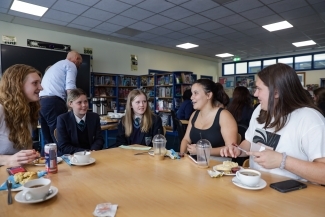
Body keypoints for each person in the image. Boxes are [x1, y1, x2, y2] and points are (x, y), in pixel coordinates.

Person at [220, 63, 325, 185]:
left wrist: (282, 161)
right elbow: (249, 142)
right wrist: (238, 149)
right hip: (255, 185)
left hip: (292, 196)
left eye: (259, 89)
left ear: (276, 92)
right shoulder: (260, 109)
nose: (255, 94)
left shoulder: (310, 119)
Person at [179, 79, 237, 157]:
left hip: (218, 166)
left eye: (196, 93)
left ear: (208, 95)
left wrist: (202, 151)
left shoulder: (224, 115)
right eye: (192, 93)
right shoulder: (194, 115)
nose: (191, 97)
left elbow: (231, 150)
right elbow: (186, 139)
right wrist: (182, 156)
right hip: (196, 163)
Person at [0, 64, 42, 166]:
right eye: (35, 83)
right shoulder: (1, 110)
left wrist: (31, 155)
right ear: (18, 85)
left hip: (20, 174)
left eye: (40, 83)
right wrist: (8, 160)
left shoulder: (26, 110)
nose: (41, 88)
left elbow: (25, 150)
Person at [39, 51, 82, 148]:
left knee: (48, 140)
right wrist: (73, 106)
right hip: (54, 102)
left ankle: (48, 161)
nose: (80, 65)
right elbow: (70, 87)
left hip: (41, 102)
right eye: (80, 62)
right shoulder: (71, 65)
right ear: (76, 59)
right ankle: (63, 160)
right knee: (59, 137)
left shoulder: (57, 65)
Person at [56, 88, 103, 156]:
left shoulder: (94, 117)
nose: (84, 105)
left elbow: (99, 139)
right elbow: (64, 146)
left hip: (92, 154)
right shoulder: (62, 119)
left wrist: (93, 150)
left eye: (86, 101)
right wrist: (85, 152)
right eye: (79, 102)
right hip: (71, 156)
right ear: (70, 104)